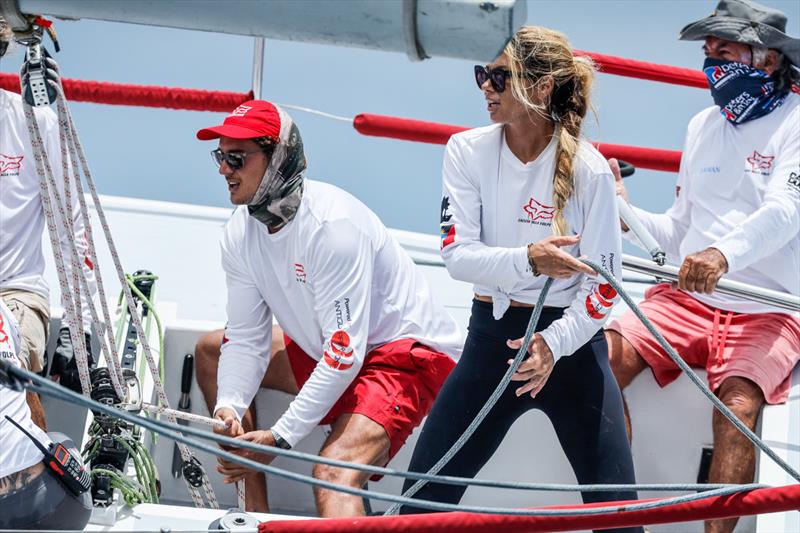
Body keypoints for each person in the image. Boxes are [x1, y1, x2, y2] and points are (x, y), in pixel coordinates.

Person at [399, 26, 642, 533]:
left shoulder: (592, 172)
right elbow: (458, 257)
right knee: (418, 509)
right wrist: (529, 260)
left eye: (498, 78)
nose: (485, 87)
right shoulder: (465, 150)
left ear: (543, 85)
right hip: (491, 345)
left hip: (573, 352)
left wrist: (552, 345)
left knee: (620, 519)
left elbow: (605, 287)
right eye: (480, 75)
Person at [191, 99, 469, 516]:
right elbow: (245, 337)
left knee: (332, 472)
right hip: (330, 347)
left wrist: (281, 437)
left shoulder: (333, 229)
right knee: (213, 351)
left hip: (400, 358)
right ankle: (254, 522)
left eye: (236, 157)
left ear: (277, 160)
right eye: (220, 155)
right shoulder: (238, 234)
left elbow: (344, 355)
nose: (223, 169)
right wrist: (229, 407)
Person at [605, 2, 800, 532]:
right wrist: (621, 211)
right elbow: (679, 229)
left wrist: (721, 256)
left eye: (726, 52)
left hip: (768, 307)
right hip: (687, 299)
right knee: (598, 366)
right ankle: (620, 522)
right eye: (708, 53)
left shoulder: (797, 122)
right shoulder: (701, 126)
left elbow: (786, 211)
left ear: (765, 59)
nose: (713, 64)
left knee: (738, 406)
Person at [0, 18, 99, 431]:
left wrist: (81, 329)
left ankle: (36, 483)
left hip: (13, 294)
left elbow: (72, 226)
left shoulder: (33, 123)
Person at [0, 300, 92, 530]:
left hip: (6, 515)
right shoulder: (2, 309)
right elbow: (26, 383)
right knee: (58, 438)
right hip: (66, 503)